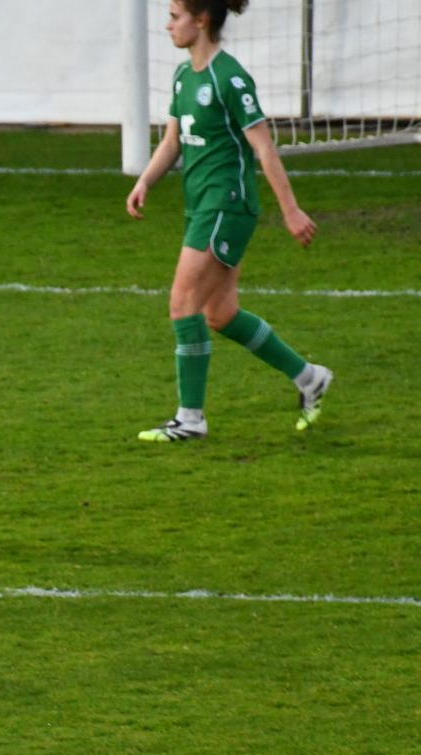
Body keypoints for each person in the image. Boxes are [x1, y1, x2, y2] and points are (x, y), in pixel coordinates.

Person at [126, 0, 333, 441]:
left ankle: (190, 418)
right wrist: (145, 181)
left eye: (175, 16)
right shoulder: (183, 76)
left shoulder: (230, 78)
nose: (167, 25)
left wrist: (291, 209)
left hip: (226, 204)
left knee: (182, 304)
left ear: (201, 20)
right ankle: (309, 377)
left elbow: (263, 148)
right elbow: (172, 141)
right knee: (220, 314)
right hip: (202, 205)